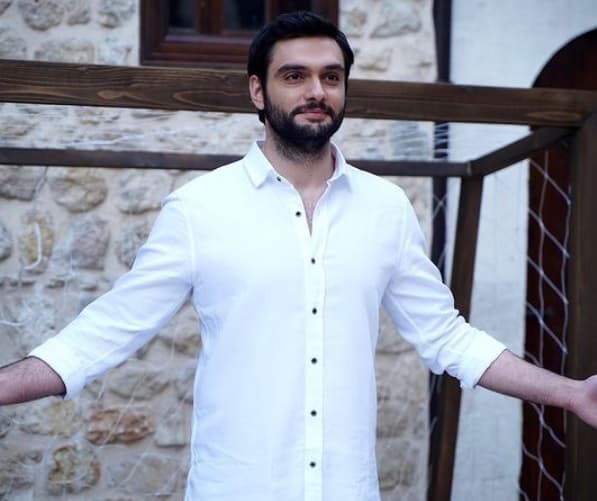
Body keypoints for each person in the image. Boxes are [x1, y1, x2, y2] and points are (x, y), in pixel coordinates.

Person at [1, 10, 596, 501]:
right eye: (295, 75)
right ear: (257, 91)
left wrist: (571, 393)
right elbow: (103, 335)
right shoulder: (199, 210)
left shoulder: (386, 209)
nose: (316, 91)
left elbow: (448, 338)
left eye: (331, 77)